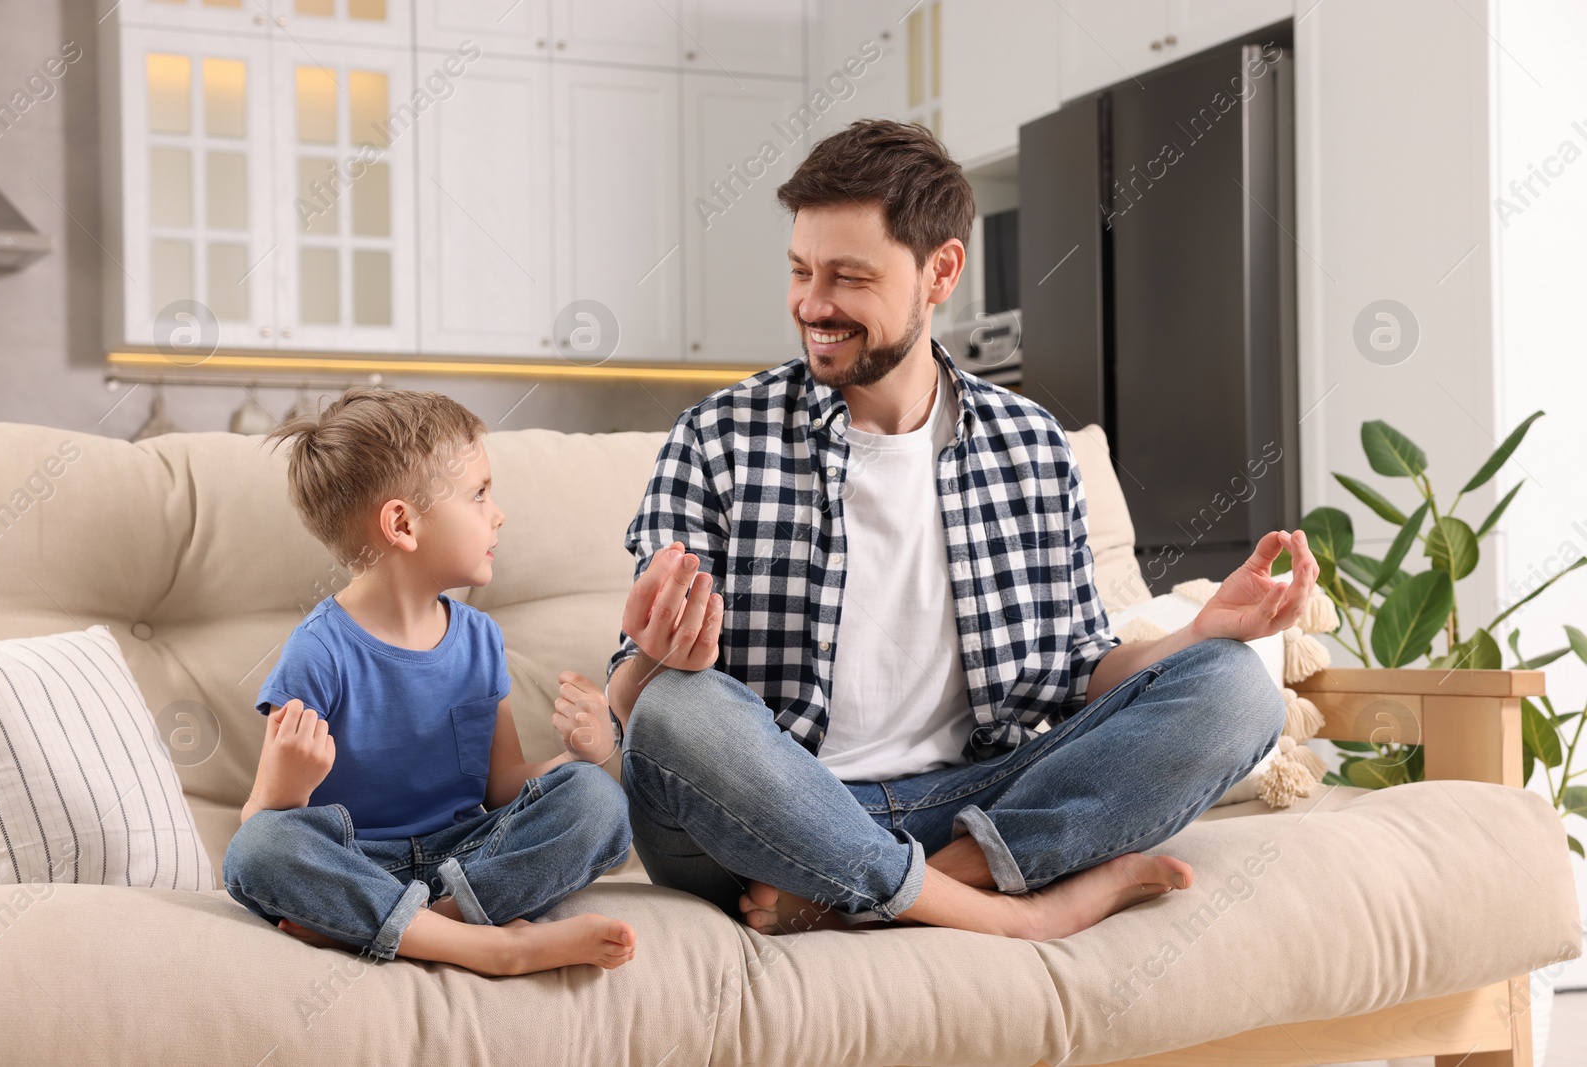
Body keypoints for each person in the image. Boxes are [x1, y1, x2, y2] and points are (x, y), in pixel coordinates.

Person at [602, 119, 1318, 940]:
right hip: (762, 826)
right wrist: (655, 663)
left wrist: (1201, 630)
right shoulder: (718, 438)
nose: (812, 304)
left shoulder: (1032, 446)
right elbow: (638, 716)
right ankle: (1013, 915)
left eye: (848, 276)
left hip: (969, 803)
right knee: (677, 715)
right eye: (800, 271)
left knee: (1234, 688)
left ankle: (898, 893)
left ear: (940, 270)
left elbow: (1077, 675)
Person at [222, 387, 636, 976]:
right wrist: (285, 791)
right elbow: (258, 822)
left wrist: (580, 755)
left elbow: (502, 788)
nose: (498, 513)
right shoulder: (317, 653)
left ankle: (422, 927)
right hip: (358, 865)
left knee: (598, 801)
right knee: (258, 851)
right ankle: (497, 948)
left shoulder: (480, 639)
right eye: (478, 494)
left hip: (470, 856)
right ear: (403, 524)